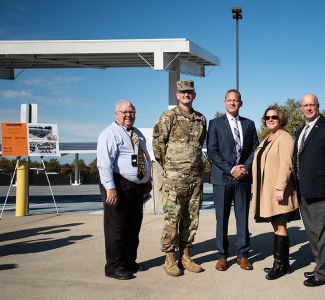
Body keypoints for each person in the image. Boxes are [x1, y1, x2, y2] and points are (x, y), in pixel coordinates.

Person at [152, 80, 207, 277]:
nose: (186, 95)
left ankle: (185, 255)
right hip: (174, 179)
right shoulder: (169, 117)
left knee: (191, 219)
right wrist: (171, 167)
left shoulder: (201, 119)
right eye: (183, 92)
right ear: (177, 95)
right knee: (172, 219)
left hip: (195, 179)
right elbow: (159, 145)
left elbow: (200, 144)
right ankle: (169, 257)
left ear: (194, 95)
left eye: (189, 92)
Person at [97, 99, 152, 280]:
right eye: (124, 112)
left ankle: (129, 262)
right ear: (116, 114)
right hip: (118, 184)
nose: (128, 115)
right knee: (116, 229)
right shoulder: (109, 133)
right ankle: (113, 267)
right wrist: (110, 188)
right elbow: (104, 164)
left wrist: (147, 180)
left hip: (136, 187)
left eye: (132, 111)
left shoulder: (137, 134)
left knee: (133, 227)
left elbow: (143, 157)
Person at [294, 93, 325, 287]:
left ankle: (324, 273)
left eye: (312, 105)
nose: (308, 108)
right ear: (301, 108)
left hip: (324, 190)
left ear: (318, 106)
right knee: (313, 234)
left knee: (324, 234)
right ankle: (320, 266)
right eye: (305, 105)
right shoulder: (301, 131)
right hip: (304, 190)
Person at [207, 89, 259, 271]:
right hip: (222, 179)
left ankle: (243, 255)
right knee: (222, 218)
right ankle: (222, 256)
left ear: (241, 103)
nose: (232, 103)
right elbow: (212, 152)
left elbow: (255, 149)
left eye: (235, 100)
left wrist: (244, 168)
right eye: (229, 100)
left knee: (242, 218)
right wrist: (230, 169)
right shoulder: (215, 124)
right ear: (224, 103)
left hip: (243, 179)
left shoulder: (249, 124)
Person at [251, 106, 300, 280]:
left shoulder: (285, 138)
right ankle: (283, 264)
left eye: (274, 117)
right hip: (266, 191)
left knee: (280, 225)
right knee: (275, 225)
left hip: (279, 192)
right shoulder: (266, 139)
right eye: (267, 117)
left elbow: (287, 164)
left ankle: (279, 265)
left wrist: (280, 188)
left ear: (281, 120)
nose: (270, 119)